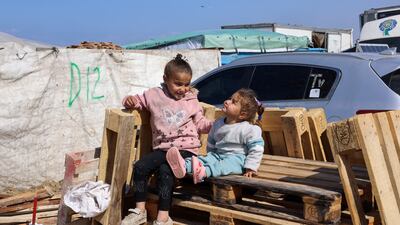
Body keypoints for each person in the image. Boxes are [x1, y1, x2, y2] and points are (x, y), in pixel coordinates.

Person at [121, 54, 212, 225]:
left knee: (166, 171)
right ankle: (139, 211)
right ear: (165, 79)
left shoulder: (192, 100)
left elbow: (200, 123)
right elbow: (136, 102)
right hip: (163, 149)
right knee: (140, 167)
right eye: (178, 84)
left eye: (187, 84)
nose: (183, 89)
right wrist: (129, 100)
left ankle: (162, 218)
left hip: (186, 148)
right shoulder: (153, 95)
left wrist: (215, 126)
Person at [166, 88, 265, 184]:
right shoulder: (218, 123)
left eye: (233, 102)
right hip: (218, 155)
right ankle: (184, 165)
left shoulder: (249, 129)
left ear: (242, 115)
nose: (227, 101)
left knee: (222, 166)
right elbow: (211, 140)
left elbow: (256, 149)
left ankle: (203, 172)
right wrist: (210, 155)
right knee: (203, 159)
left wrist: (251, 167)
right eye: (230, 98)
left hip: (237, 160)